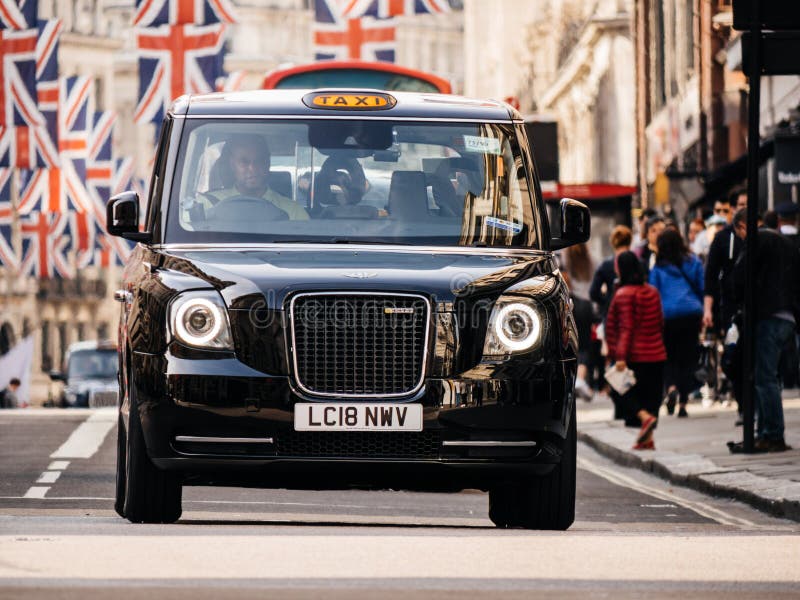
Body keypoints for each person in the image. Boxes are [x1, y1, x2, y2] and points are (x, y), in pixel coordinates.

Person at [729, 207, 799, 452]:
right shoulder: (785, 241)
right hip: (788, 316)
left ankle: (772, 434)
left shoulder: (755, 240)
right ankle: (764, 431)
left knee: (763, 377)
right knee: (769, 376)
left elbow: (739, 277)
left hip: (767, 315)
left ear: (742, 227)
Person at [604, 251, 667, 450]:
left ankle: (644, 418)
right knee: (650, 397)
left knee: (620, 391)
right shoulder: (652, 291)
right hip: (656, 354)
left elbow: (626, 327)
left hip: (634, 356)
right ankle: (647, 440)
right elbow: (660, 322)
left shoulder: (624, 294)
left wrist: (620, 357)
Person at [648, 228, 704, 417]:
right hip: (691, 313)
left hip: (668, 316)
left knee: (669, 356)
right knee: (688, 358)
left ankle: (671, 388)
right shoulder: (693, 262)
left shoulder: (658, 268)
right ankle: (683, 403)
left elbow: (653, 294)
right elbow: (702, 287)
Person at [703, 191, 747, 416]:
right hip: (731, 309)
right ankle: (743, 405)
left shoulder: (763, 236)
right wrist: (708, 309)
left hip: (758, 306)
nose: (743, 209)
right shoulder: (722, 238)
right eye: (739, 205)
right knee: (734, 357)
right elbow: (710, 276)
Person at [203, 134, 309, 220]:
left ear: (268, 163)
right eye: (244, 162)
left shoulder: (293, 211)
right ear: (232, 165)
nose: (253, 168)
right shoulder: (206, 204)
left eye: (259, 161)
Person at [562, 243, 595, 401]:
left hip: (572, 304)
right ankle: (581, 379)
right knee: (585, 345)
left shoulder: (565, 259)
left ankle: (572, 379)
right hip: (587, 306)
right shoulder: (591, 261)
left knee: (570, 343)